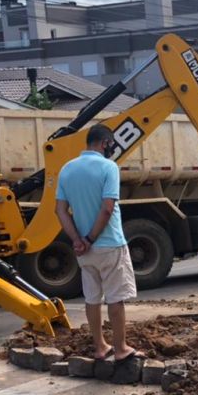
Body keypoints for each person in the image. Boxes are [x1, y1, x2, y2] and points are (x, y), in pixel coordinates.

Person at [55, 123, 145, 363]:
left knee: (92, 298)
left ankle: (100, 347)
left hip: (84, 250)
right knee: (116, 298)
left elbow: (60, 210)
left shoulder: (67, 169)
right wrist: (90, 238)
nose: (111, 149)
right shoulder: (109, 167)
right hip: (109, 243)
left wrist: (77, 240)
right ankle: (121, 348)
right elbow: (107, 209)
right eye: (111, 144)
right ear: (105, 143)